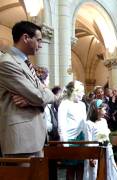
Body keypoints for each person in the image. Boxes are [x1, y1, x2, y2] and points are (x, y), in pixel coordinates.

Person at [0, 21, 56, 157]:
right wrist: (37, 97)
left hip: (35, 136)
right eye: (38, 40)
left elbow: (50, 95)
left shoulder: (26, 63)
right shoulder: (7, 62)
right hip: (21, 140)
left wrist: (30, 100)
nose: (41, 45)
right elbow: (39, 96)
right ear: (26, 38)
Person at [84, 99, 117, 180]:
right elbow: (88, 141)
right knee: (94, 173)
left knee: (107, 170)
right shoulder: (89, 123)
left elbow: (104, 136)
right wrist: (91, 157)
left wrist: (106, 144)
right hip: (94, 152)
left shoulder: (103, 121)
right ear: (97, 109)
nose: (105, 111)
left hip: (106, 150)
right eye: (104, 109)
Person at [58, 80, 86, 180]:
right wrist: (64, 143)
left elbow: (84, 123)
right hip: (70, 140)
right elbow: (61, 125)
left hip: (82, 139)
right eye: (81, 91)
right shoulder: (64, 104)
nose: (83, 93)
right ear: (75, 91)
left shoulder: (82, 105)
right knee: (71, 168)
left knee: (81, 167)